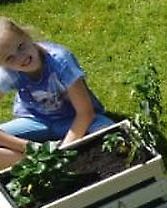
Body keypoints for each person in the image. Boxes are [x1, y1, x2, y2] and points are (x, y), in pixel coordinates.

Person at [0, 18, 115, 168]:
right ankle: (41, 165)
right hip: (36, 120)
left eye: (21, 46)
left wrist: (63, 150)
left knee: (110, 134)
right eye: (10, 58)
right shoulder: (7, 73)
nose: (21, 57)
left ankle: (57, 163)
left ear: (27, 36)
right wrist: (32, 149)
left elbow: (85, 113)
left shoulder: (60, 61)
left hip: (73, 119)